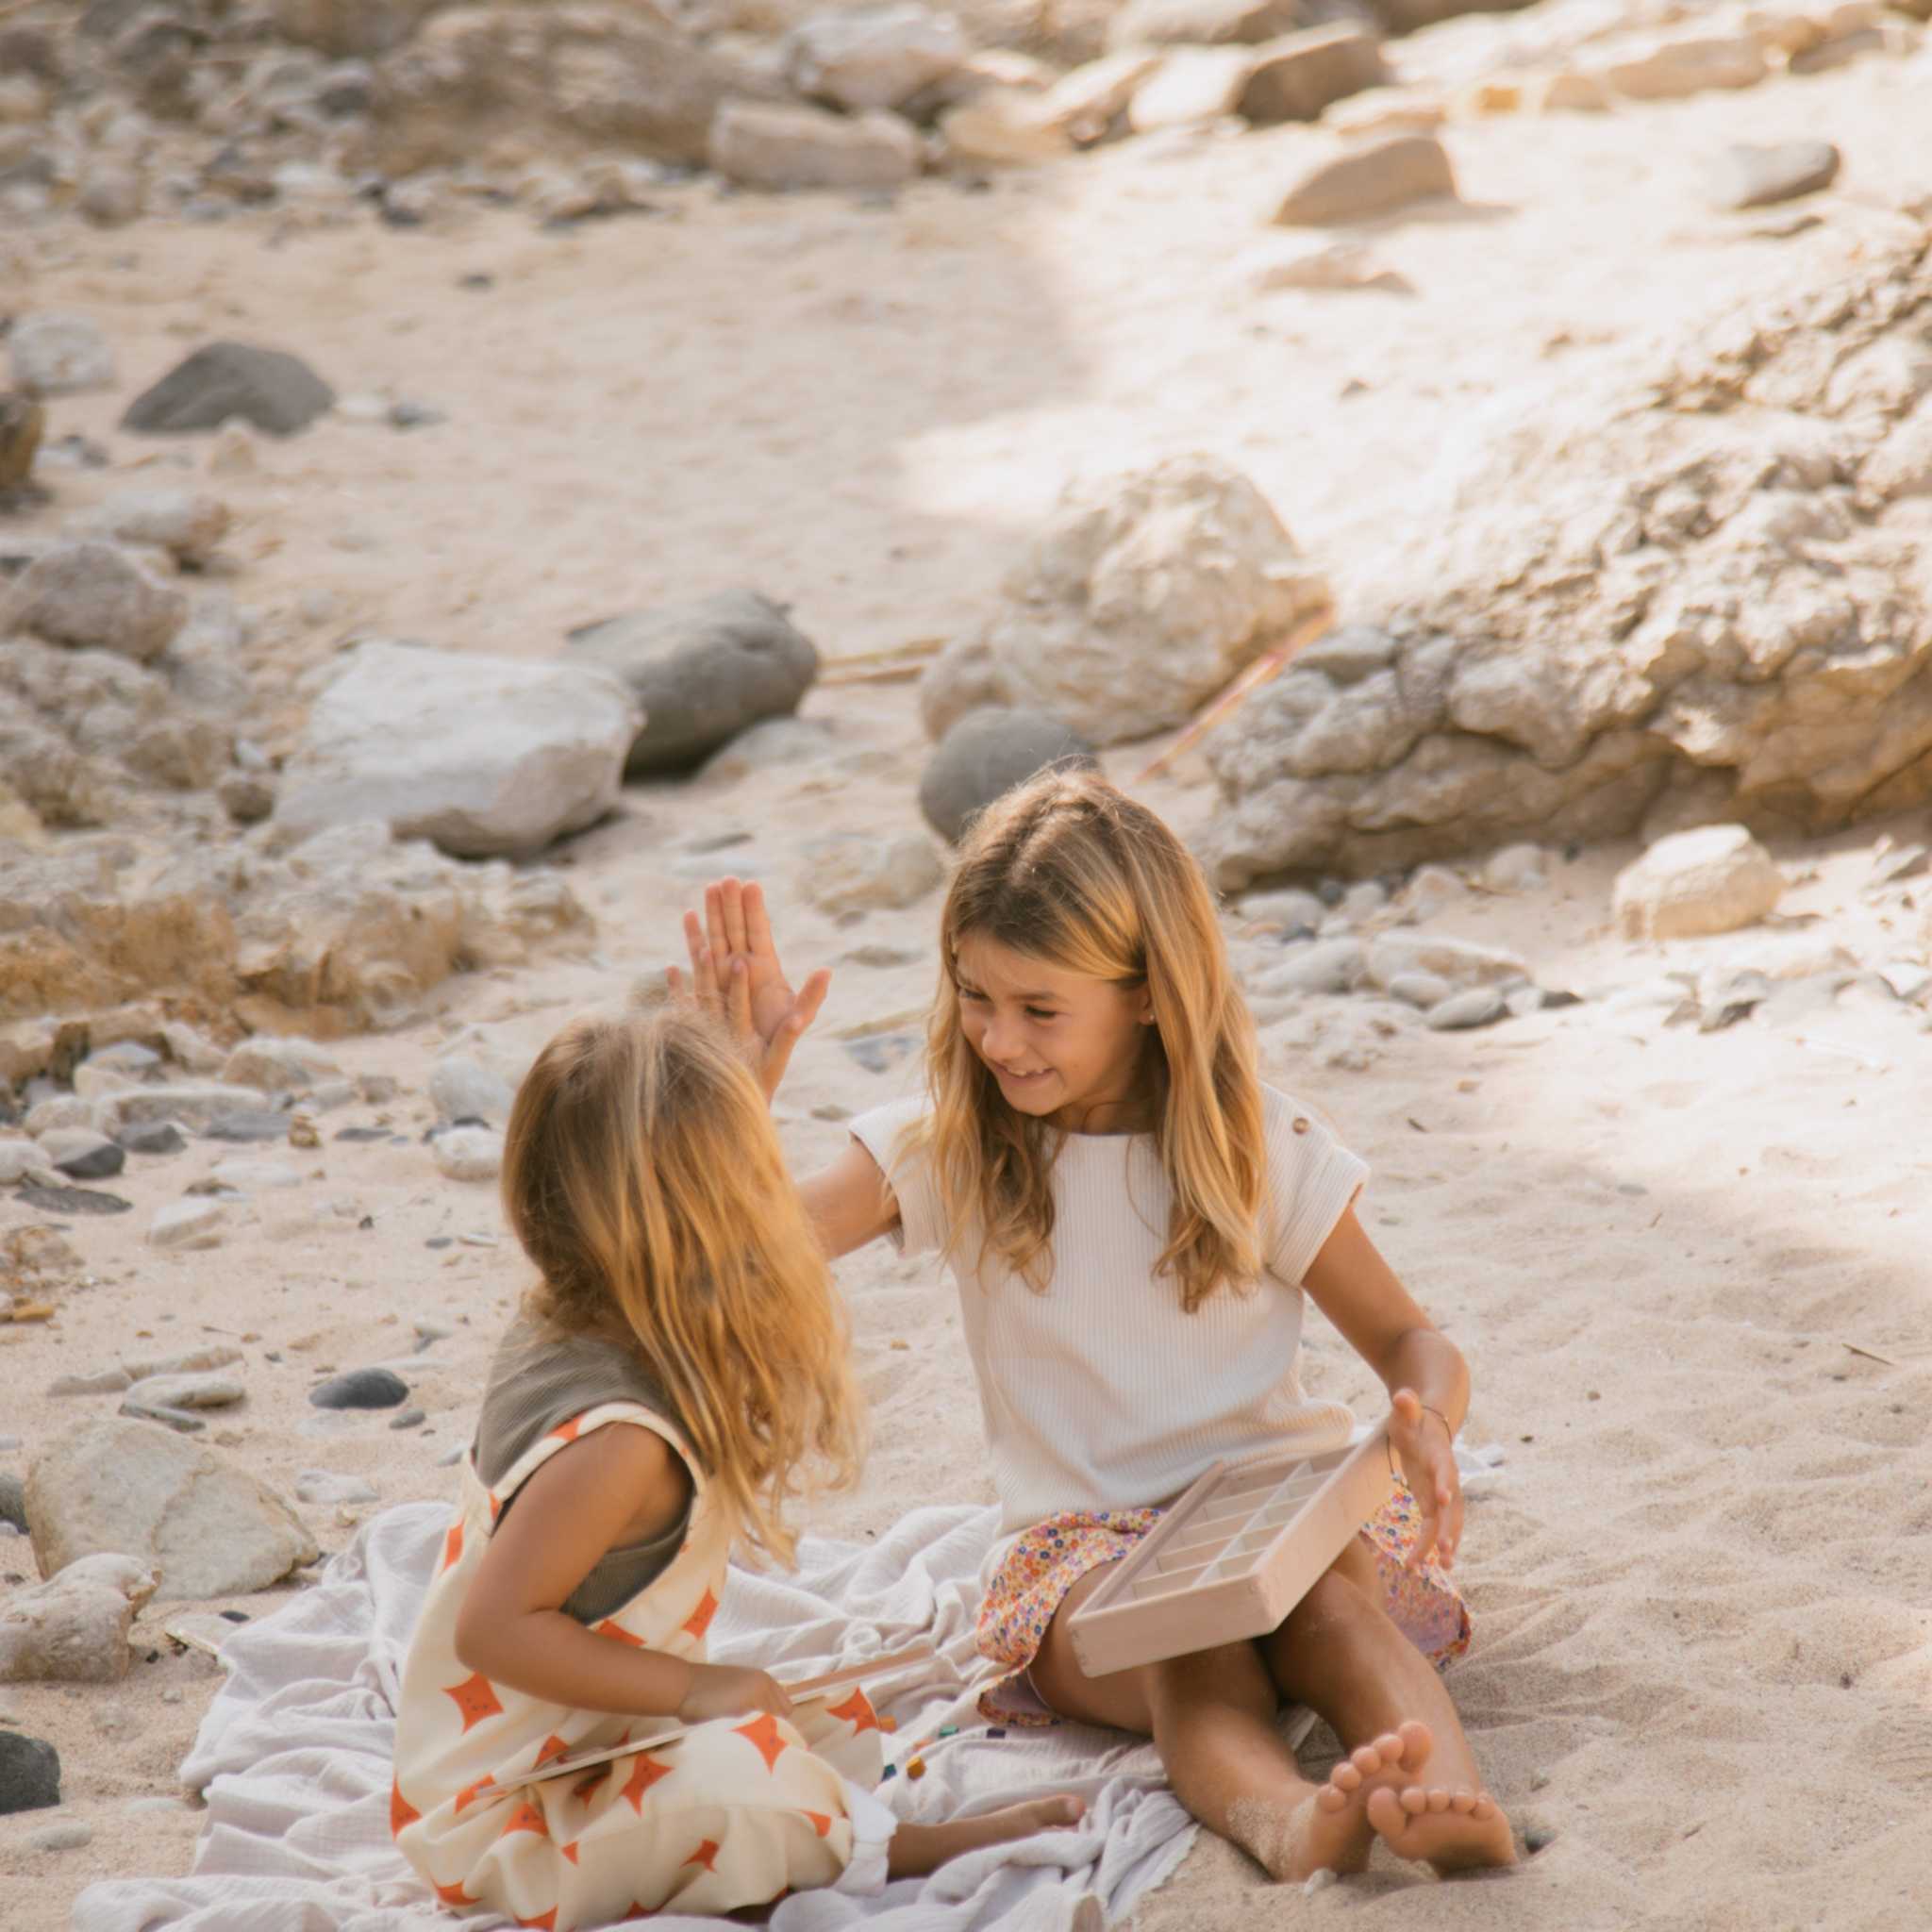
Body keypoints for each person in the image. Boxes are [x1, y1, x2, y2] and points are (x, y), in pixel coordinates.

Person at [676, 770, 1517, 1884]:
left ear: (1149, 995)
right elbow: (728, 1260)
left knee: (1333, 1610)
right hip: (1078, 1559)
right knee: (1190, 1652)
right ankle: (1289, 1820)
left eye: (1038, 1008)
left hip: (1266, 1504)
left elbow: (1413, 1340)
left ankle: (1440, 1797)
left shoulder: (1249, 1146)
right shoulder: (948, 1150)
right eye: (975, 995)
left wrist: (1427, 1417)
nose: (995, 1037)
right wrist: (740, 1092)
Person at [391, 1005, 1083, 1928]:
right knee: (749, 1775)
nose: (777, 1203)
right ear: (703, 1211)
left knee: (828, 1712)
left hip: (581, 1738)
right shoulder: (619, 1442)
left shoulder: (582, 1297)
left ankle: (818, 1812)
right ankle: (904, 1848)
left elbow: (666, 1200)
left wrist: (744, 1080)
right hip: (503, 1819)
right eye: (755, 1177)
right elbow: (493, 1630)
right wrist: (695, 1688)